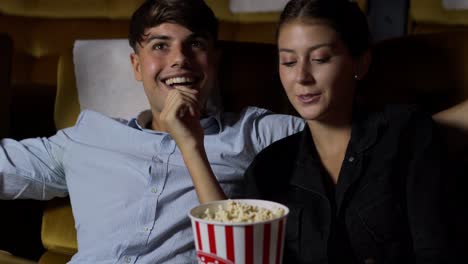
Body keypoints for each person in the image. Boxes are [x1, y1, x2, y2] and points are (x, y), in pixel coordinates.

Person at [0, 0, 304, 263]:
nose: (179, 59)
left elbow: (343, 142)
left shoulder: (256, 131)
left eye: (195, 44)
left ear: (214, 61)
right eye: (160, 46)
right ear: (136, 65)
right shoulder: (87, 137)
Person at [241, 0, 451, 263]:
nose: (302, 77)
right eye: (289, 61)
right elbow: (234, 247)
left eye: (320, 59)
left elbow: (437, 251)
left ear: (361, 63)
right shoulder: (268, 167)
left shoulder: (406, 132)